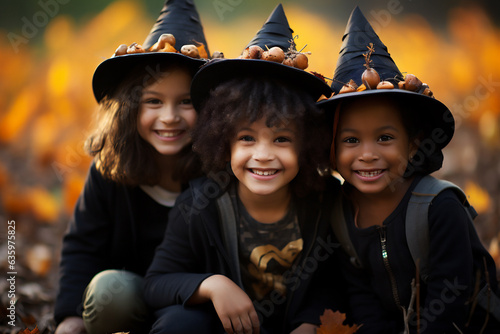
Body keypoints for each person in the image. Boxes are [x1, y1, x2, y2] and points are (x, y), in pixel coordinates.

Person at [144, 4, 345, 334]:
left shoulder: (326, 203)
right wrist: (212, 285)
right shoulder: (199, 204)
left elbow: (334, 281)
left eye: (281, 139)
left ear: (307, 145)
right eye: (247, 139)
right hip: (224, 327)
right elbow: (155, 283)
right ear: (224, 143)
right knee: (178, 324)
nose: (263, 155)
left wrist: (311, 322)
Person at [318, 6, 500, 334]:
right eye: (351, 140)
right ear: (331, 151)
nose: (368, 154)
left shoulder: (439, 208)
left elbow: (451, 303)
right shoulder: (340, 216)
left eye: (385, 138)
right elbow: (361, 299)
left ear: (413, 145)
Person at [53, 1, 210, 333]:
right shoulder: (111, 167)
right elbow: (83, 243)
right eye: (153, 101)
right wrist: (69, 316)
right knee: (111, 292)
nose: (169, 117)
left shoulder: (219, 171)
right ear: (129, 108)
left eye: (186, 102)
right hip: (132, 295)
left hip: (194, 301)